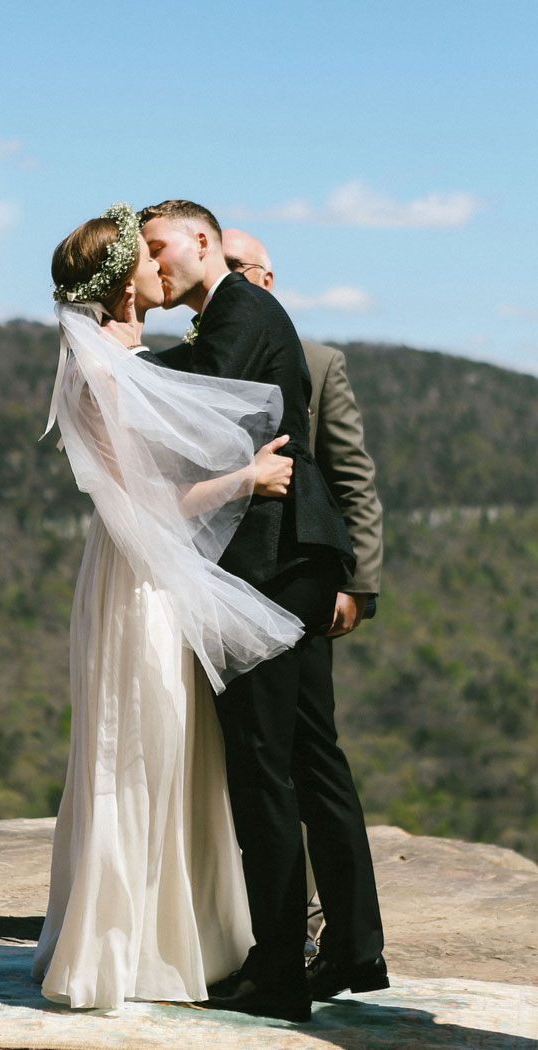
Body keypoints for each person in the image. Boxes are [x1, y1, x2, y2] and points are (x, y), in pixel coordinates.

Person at [112, 200, 387, 1019]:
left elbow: (199, 406)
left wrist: (118, 356)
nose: (154, 265)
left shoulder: (240, 309)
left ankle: (279, 973)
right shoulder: (233, 315)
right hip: (293, 557)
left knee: (264, 765)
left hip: (270, 564)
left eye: (160, 248)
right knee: (309, 756)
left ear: (205, 242)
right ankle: (351, 949)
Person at [31, 203, 306, 1012]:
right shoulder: (106, 369)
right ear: (124, 287)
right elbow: (147, 505)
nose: (161, 266)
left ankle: (179, 932)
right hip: (137, 581)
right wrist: (246, 481)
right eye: (145, 257)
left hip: (149, 574)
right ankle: (124, 948)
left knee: (172, 749)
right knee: (138, 750)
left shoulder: (128, 357)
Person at [220, 228, 386, 997]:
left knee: (313, 762)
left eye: (237, 270)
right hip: (238, 580)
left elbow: (352, 476)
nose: (229, 284)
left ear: (267, 275)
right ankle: (302, 940)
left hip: (304, 580)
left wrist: (360, 584)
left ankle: (351, 945)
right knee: (286, 759)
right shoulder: (211, 354)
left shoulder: (317, 362)